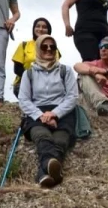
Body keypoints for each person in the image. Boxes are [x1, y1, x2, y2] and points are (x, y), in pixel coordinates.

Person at [17, 34, 77, 188]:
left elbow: (72, 96)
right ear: (38, 49)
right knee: (42, 137)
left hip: (62, 112)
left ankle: (42, 174)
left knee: (60, 141)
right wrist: (40, 115)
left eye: (52, 46)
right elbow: (24, 99)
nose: (49, 49)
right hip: (37, 112)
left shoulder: (66, 71)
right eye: (44, 46)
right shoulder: (28, 73)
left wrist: (55, 113)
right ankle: (51, 172)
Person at [11, 17, 57, 97]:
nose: (41, 29)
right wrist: (33, 79)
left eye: (44, 27)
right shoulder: (24, 45)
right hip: (25, 83)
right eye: (38, 26)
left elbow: (55, 69)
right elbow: (17, 69)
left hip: (47, 85)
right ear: (33, 28)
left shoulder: (53, 48)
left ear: (49, 30)